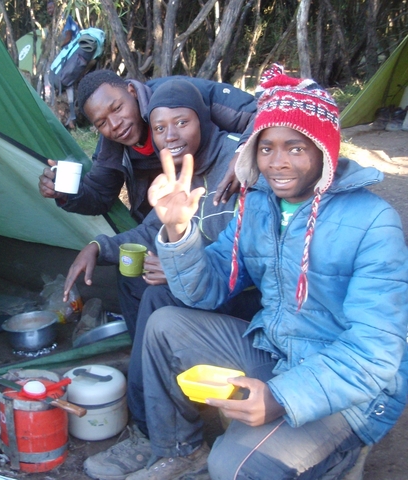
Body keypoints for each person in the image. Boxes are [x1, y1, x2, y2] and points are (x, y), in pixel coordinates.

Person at [120, 69, 408, 480]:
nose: (277, 163)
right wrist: (179, 231)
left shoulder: (373, 222)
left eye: (295, 148)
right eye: (266, 148)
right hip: (275, 352)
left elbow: (375, 354)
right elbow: (207, 288)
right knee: (165, 323)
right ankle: (179, 450)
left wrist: (280, 397)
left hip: (351, 391)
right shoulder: (258, 205)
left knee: (233, 465)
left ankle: (338, 460)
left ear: (323, 150)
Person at [79, 79, 261, 480]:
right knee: (137, 281)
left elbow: (251, 248)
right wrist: (100, 246)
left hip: (254, 297)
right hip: (216, 282)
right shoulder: (181, 166)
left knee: (159, 301)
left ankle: (159, 434)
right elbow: (150, 229)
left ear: (203, 120)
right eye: (160, 129)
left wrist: (186, 263)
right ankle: (161, 429)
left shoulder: (241, 161)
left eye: (181, 123)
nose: (171, 136)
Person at [38, 69, 257, 223]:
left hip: (225, 200)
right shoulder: (114, 139)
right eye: (102, 123)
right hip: (166, 219)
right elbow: (100, 196)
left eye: (117, 108)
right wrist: (65, 194)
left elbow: (261, 111)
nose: (115, 124)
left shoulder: (181, 94)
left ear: (132, 92)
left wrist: (242, 153)